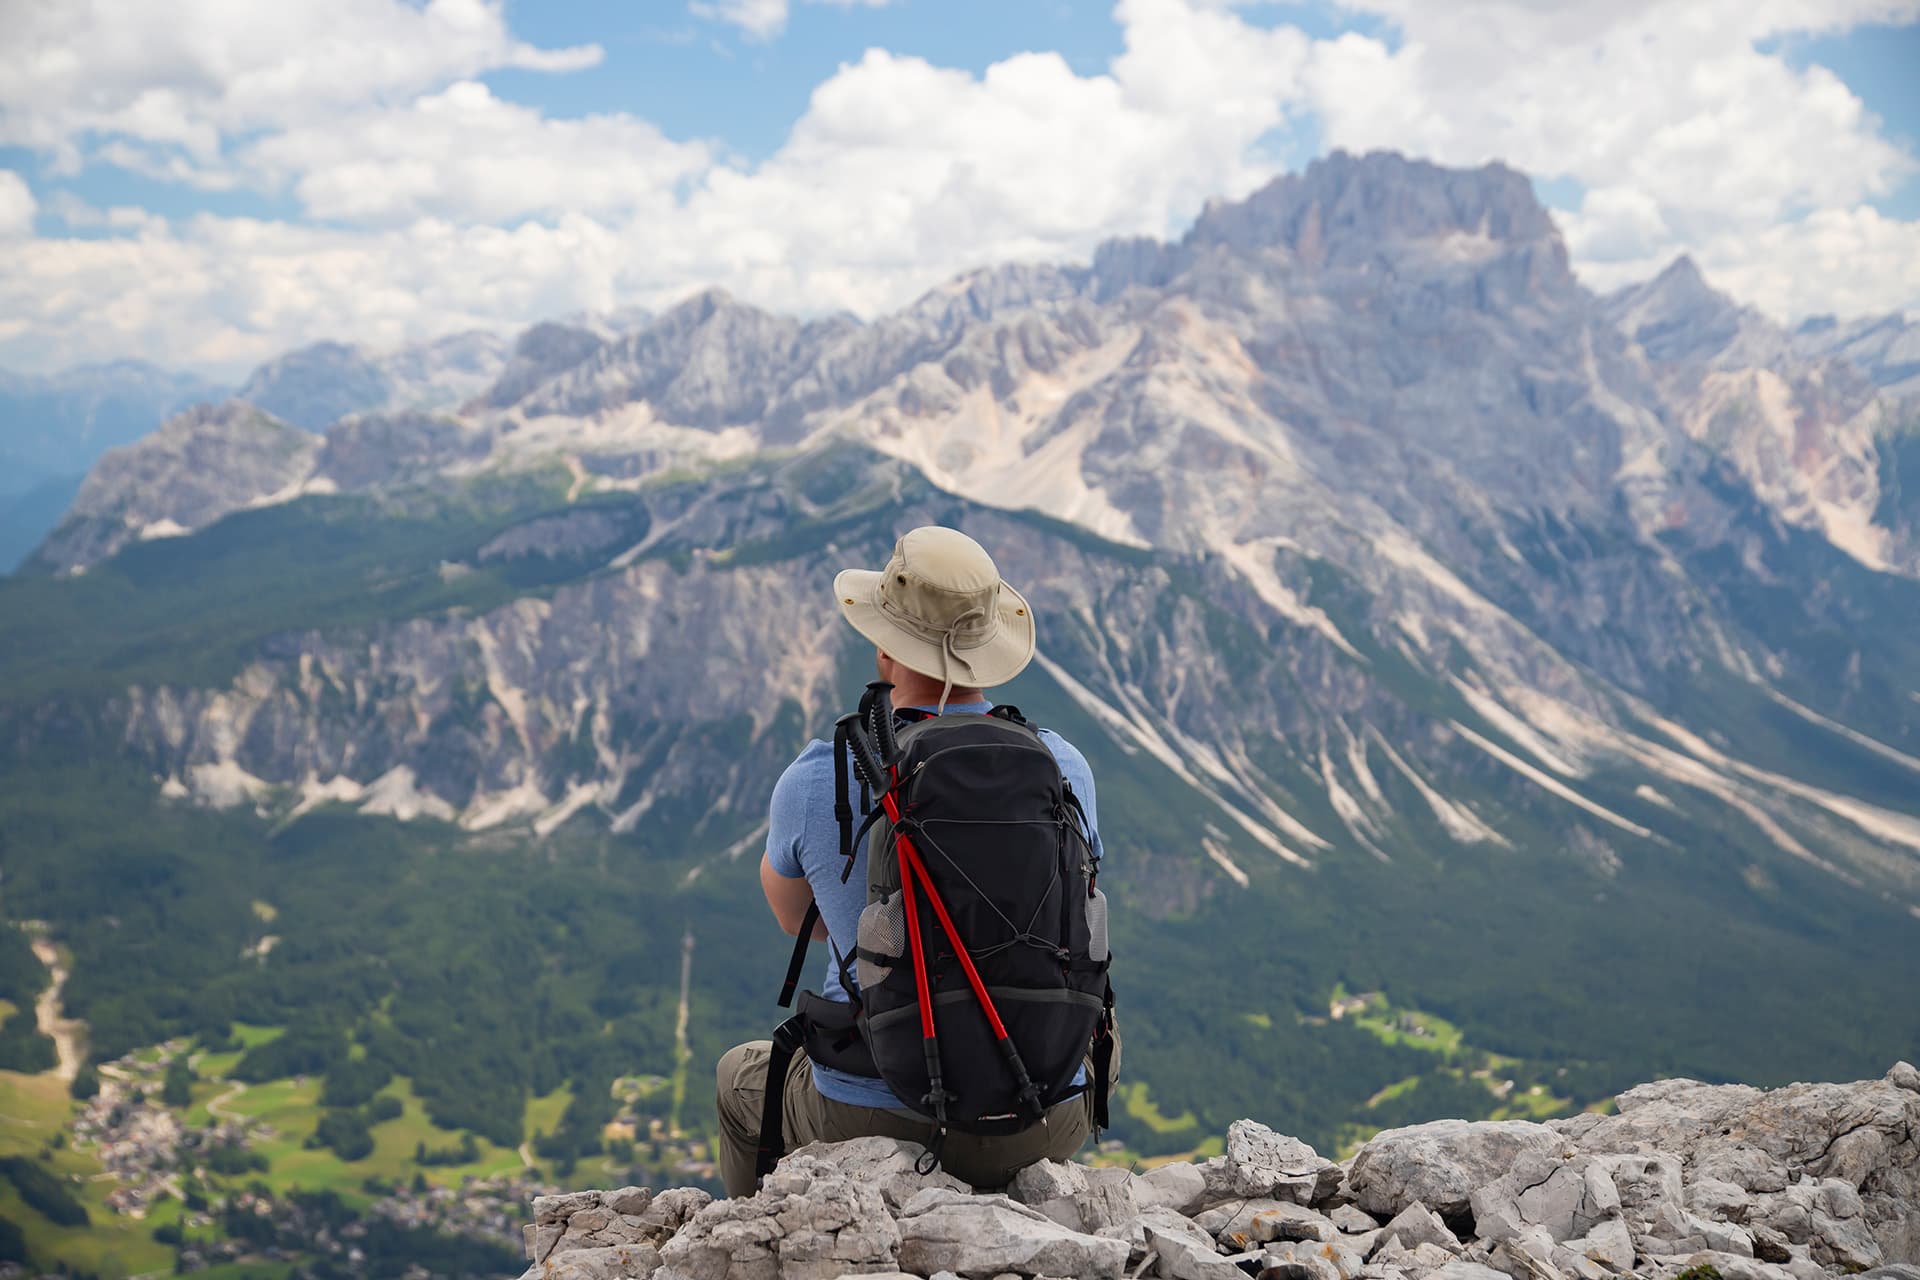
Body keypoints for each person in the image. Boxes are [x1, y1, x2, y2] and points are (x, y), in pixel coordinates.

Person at [714, 525, 1112, 1196]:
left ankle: (767, 1243)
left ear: (884, 646)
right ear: (989, 649)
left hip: (871, 1110)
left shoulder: (818, 777)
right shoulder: (1061, 766)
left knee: (738, 1077)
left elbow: (796, 919)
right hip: (1044, 1109)